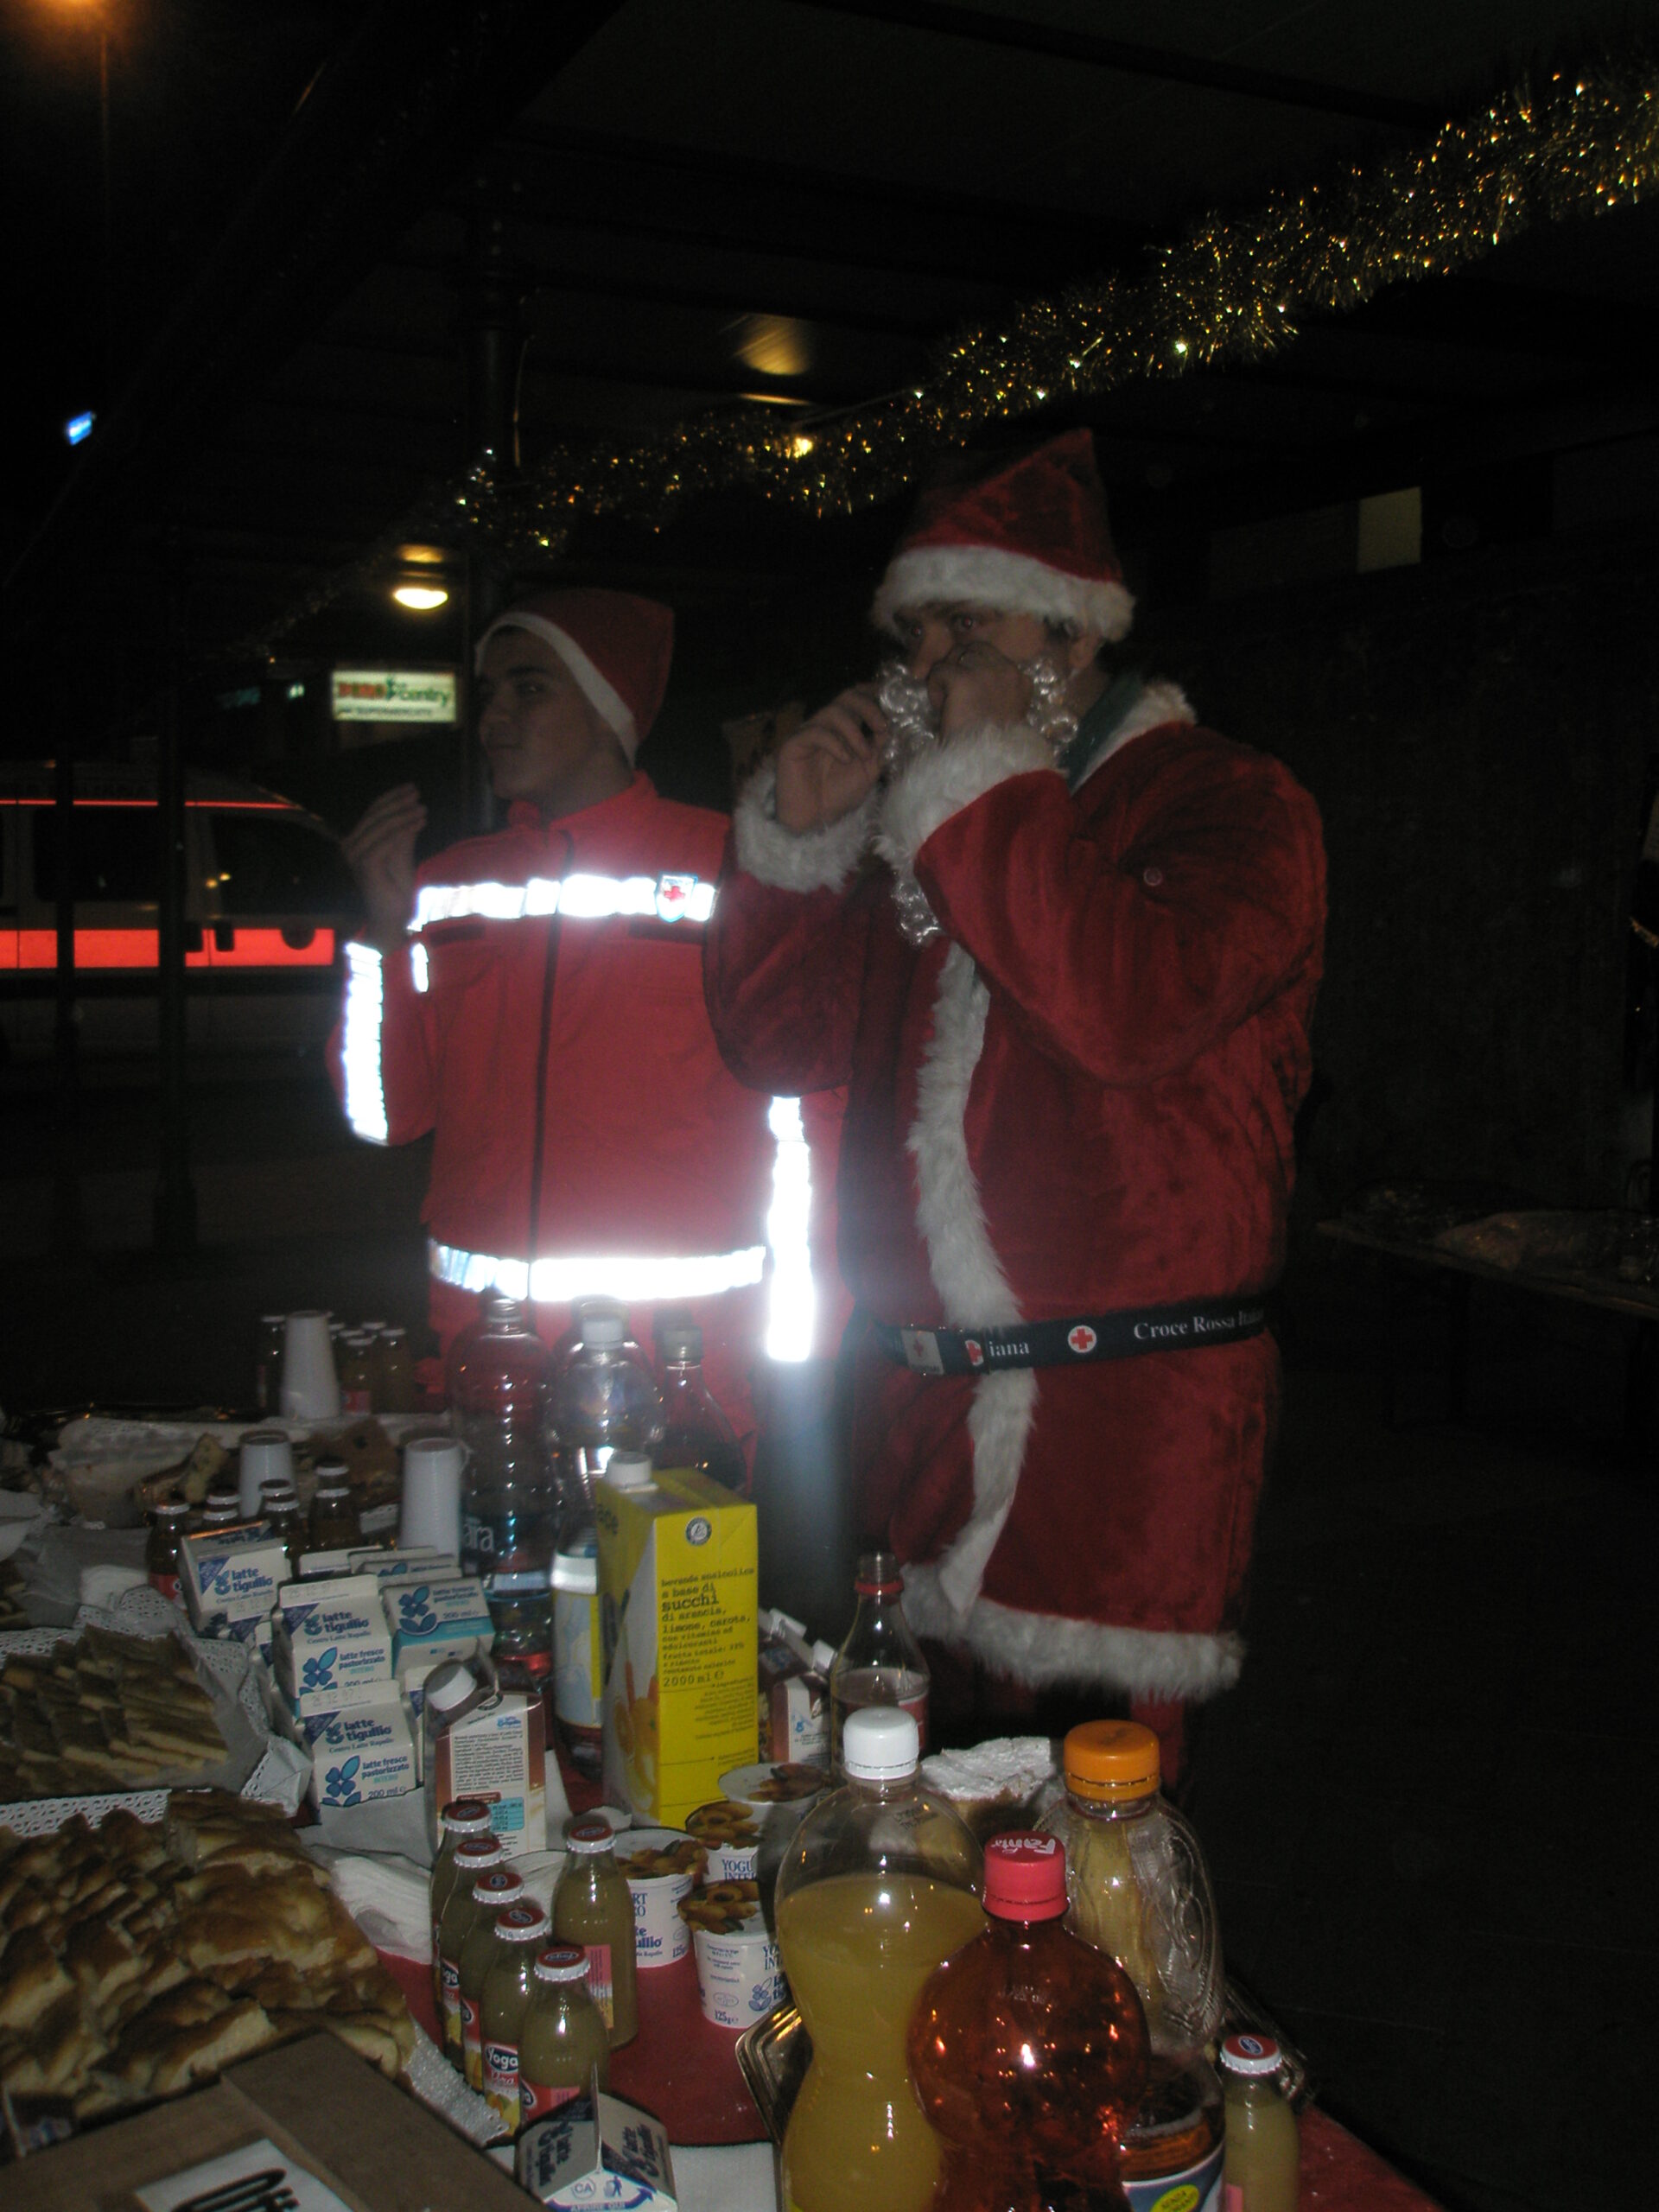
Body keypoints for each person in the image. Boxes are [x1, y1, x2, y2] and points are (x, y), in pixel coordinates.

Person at [704, 431, 1326, 1777]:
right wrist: (800, 846)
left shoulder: (1229, 802)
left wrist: (974, 792)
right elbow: (778, 1043)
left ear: (1066, 626)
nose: (929, 670)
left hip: (1122, 1446)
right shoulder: (932, 825)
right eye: (914, 635)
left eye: (964, 629)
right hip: (912, 1428)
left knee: (1093, 1867)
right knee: (911, 1829)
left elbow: (1126, 1009)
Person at [333, 586, 825, 1451]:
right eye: (489, 694)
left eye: (530, 689)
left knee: (669, 1590)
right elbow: (384, 1115)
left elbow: (809, 1115)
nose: (493, 717)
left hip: (684, 1371)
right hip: (487, 1361)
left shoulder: (735, 865)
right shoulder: (444, 880)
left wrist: (795, 1344)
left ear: (610, 708)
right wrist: (378, 931)